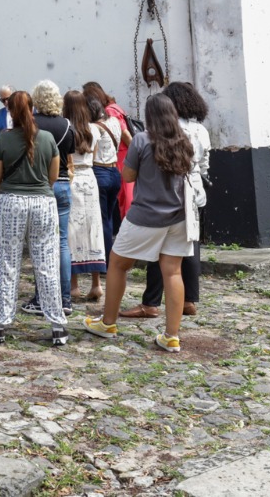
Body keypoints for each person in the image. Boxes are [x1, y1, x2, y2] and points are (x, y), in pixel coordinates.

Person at [85, 93, 202, 353]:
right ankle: (171, 336)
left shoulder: (141, 140)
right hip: (179, 216)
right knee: (172, 272)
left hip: (146, 215)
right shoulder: (185, 141)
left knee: (117, 263)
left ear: (150, 116)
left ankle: (108, 323)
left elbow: (127, 175)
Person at [0, 91, 67, 347]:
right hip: (43, 202)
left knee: (7, 262)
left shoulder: (5, 140)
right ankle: (58, 324)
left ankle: (0, 323)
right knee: (46, 262)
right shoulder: (47, 138)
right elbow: (53, 176)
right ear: (32, 109)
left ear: (9, 112)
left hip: (11, 202)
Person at [130, 82, 211, 318]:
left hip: (169, 190)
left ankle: (151, 302)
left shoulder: (168, 128)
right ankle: (189, 300)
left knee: (160, 248)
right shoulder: (201, 130)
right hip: (195, 190)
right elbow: (205, 164)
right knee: (191, 246)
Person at [26, 80, 73, 317]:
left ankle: (41, 297)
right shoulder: (66, 125)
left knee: (39, 244)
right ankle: (65, 299)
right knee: (62, 242)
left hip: (39, 184)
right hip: (63, 183)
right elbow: (69, 155)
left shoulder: (31, 124)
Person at [65, 89, 107, 302]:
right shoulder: (94, 129)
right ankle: (96, 283)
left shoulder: (66, 129)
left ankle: (74, 286)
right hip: (90, 178)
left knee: (72, 229)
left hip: (72, 177)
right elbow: (95, 153)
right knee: (93, 228)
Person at [83, 81, 132, 229]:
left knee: (124, 199)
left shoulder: (110, 112)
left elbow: (126, 135)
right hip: (119, 159)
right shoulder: (115, 107)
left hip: (119, 158)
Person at [88, 96, 124, 262]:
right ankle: (109, 257)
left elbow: (90, 152)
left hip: (99, 171)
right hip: (115, 171)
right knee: (109, 217)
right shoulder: (114, 122)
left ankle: (105, 261)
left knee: (101, 220)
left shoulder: (93, 127)